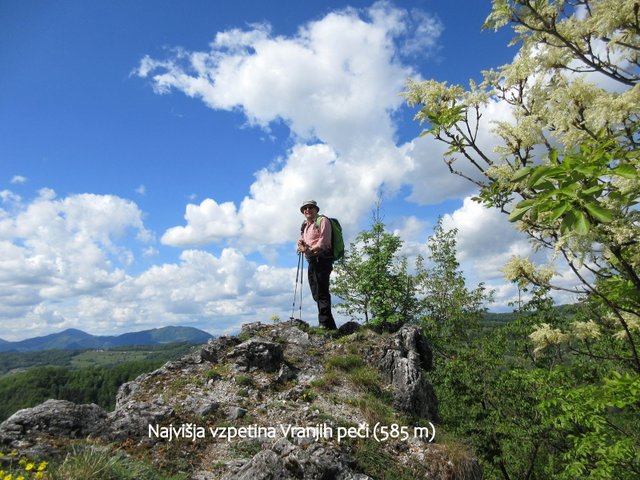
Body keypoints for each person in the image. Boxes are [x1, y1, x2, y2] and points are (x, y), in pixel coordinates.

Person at [297, 200, 337, 330]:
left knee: (321, 292)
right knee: (316, 293)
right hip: (312, 261)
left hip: (322, 259)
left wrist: (308, 249)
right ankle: (330, 326)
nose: (307, 210)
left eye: (310, 207)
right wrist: (301, 245)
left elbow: (324, 243)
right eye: (305, 208)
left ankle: (324, 324)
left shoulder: (323, 221)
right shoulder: (305, 226)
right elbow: (302, 240)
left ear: (316, 209)